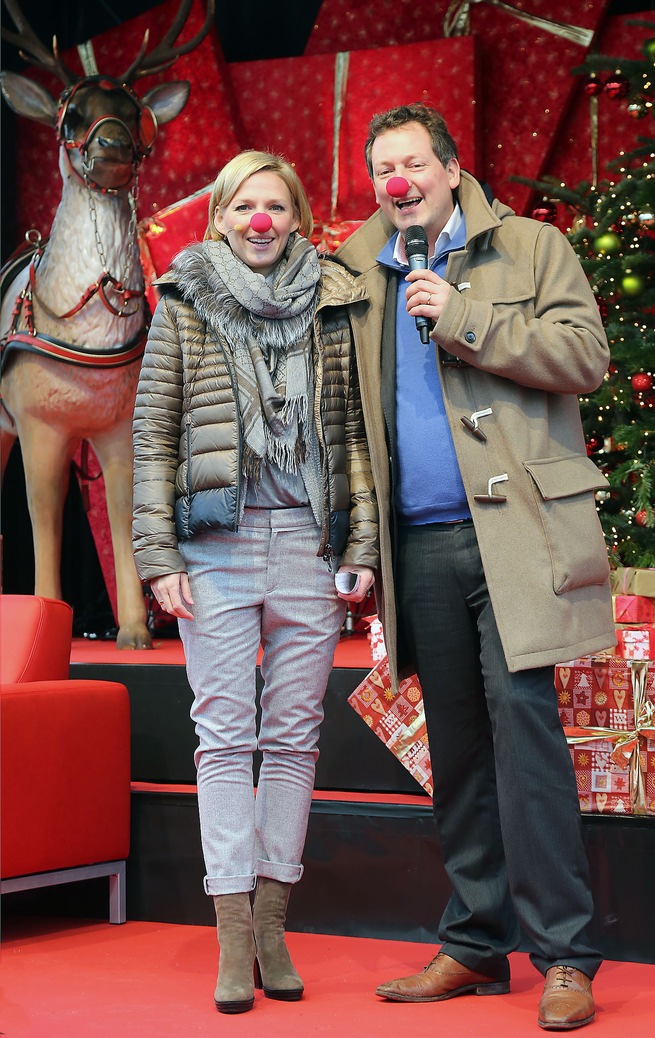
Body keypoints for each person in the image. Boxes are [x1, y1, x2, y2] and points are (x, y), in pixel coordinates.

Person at [334, 102, 616, 1031]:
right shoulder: (357, 269)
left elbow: (586, 355)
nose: (397, 182)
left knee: (524, 730)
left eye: (413, 162)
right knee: (453, 749)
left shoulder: (532, 248)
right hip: (419, 544)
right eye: (383, 169)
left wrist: (463, 316)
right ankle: (474, 943)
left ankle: (566, 956)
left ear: (452, 169)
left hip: (516, 534)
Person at [132, 150, 378, 1015]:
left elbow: (351, 436)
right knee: (225, 736)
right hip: (217, 549)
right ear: (221, 218)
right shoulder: (184, 302)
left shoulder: (335, 300)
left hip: (312, 546)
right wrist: (157, 558)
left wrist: (365, 545)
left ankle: (275, 921)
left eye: (276, 205)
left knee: (297, 737)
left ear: (299, 218)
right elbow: (155, 434)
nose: (261, 220)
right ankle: (234, 932)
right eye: (245, 206)